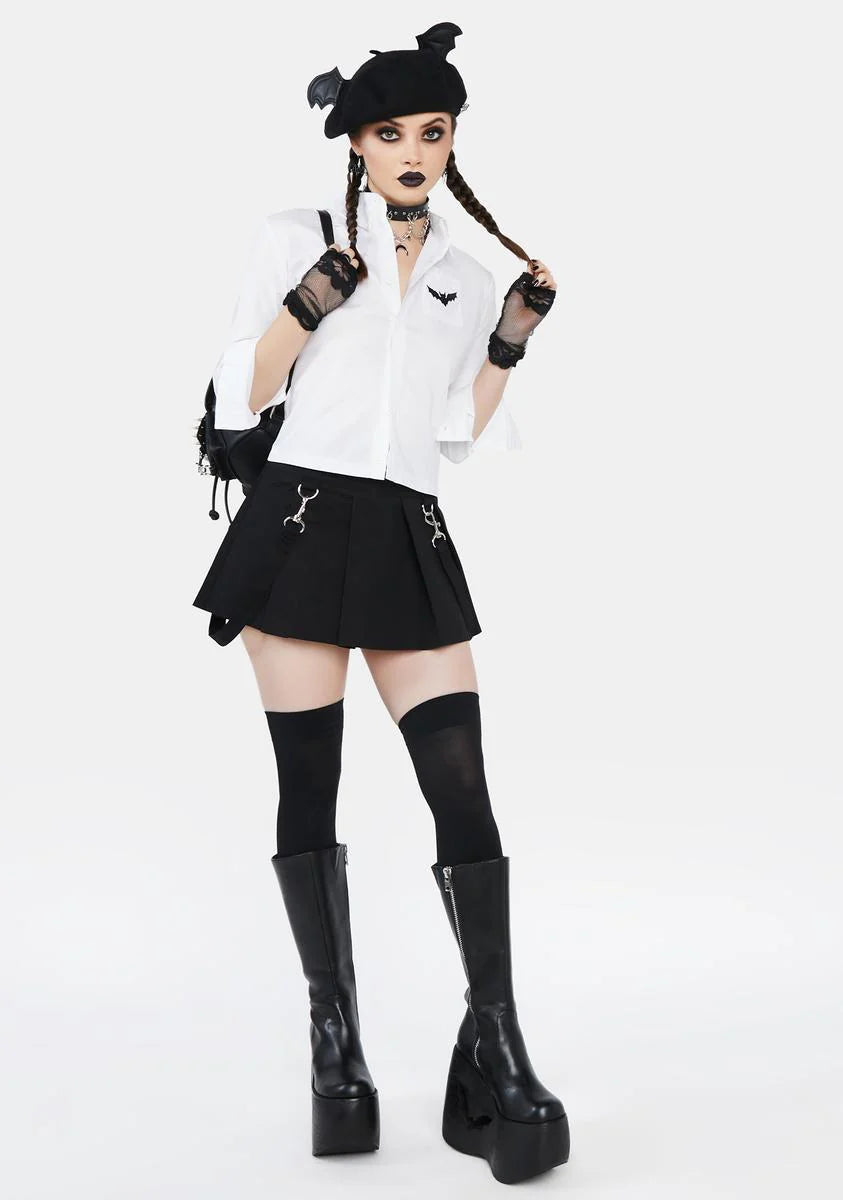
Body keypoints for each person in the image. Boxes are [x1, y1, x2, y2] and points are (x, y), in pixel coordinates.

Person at [192, 20, 568, 1185]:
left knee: (464, 788)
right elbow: (240, 389)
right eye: (391, 131)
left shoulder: (465, 267)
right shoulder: (297, 233)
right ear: (356, 140)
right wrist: (310, 301)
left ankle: (496, 1048)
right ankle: (334, 1051)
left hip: (407, 531)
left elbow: (452, 431)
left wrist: (509, 340)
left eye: (433, 131)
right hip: (299, 521)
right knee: (310, 786)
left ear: (453, 142)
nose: (413, 151)